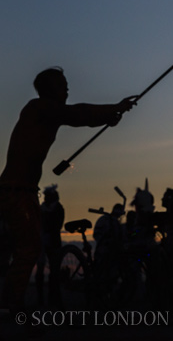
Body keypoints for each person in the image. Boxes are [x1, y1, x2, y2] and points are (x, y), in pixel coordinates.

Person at [0, 67, 135, 312]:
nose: (67, 89)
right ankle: (10, 307)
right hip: (15, 192)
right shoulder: (39, 107)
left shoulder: (49, 113)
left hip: (22, 191)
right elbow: (78, 114)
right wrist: (114, 107)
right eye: (62, 84)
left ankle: (10, 304)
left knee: (21, 248)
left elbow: (80, 116)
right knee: (29, 248)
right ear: (49, 89)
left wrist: (108, 117)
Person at [35, 185, 65, 307]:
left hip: (52, 241)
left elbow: (57, 225)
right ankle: (41, 298)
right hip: (42, 240)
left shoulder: (58, 208)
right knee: (41, 270)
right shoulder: (41, 209)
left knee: (54, 270)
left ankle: (53, 297)